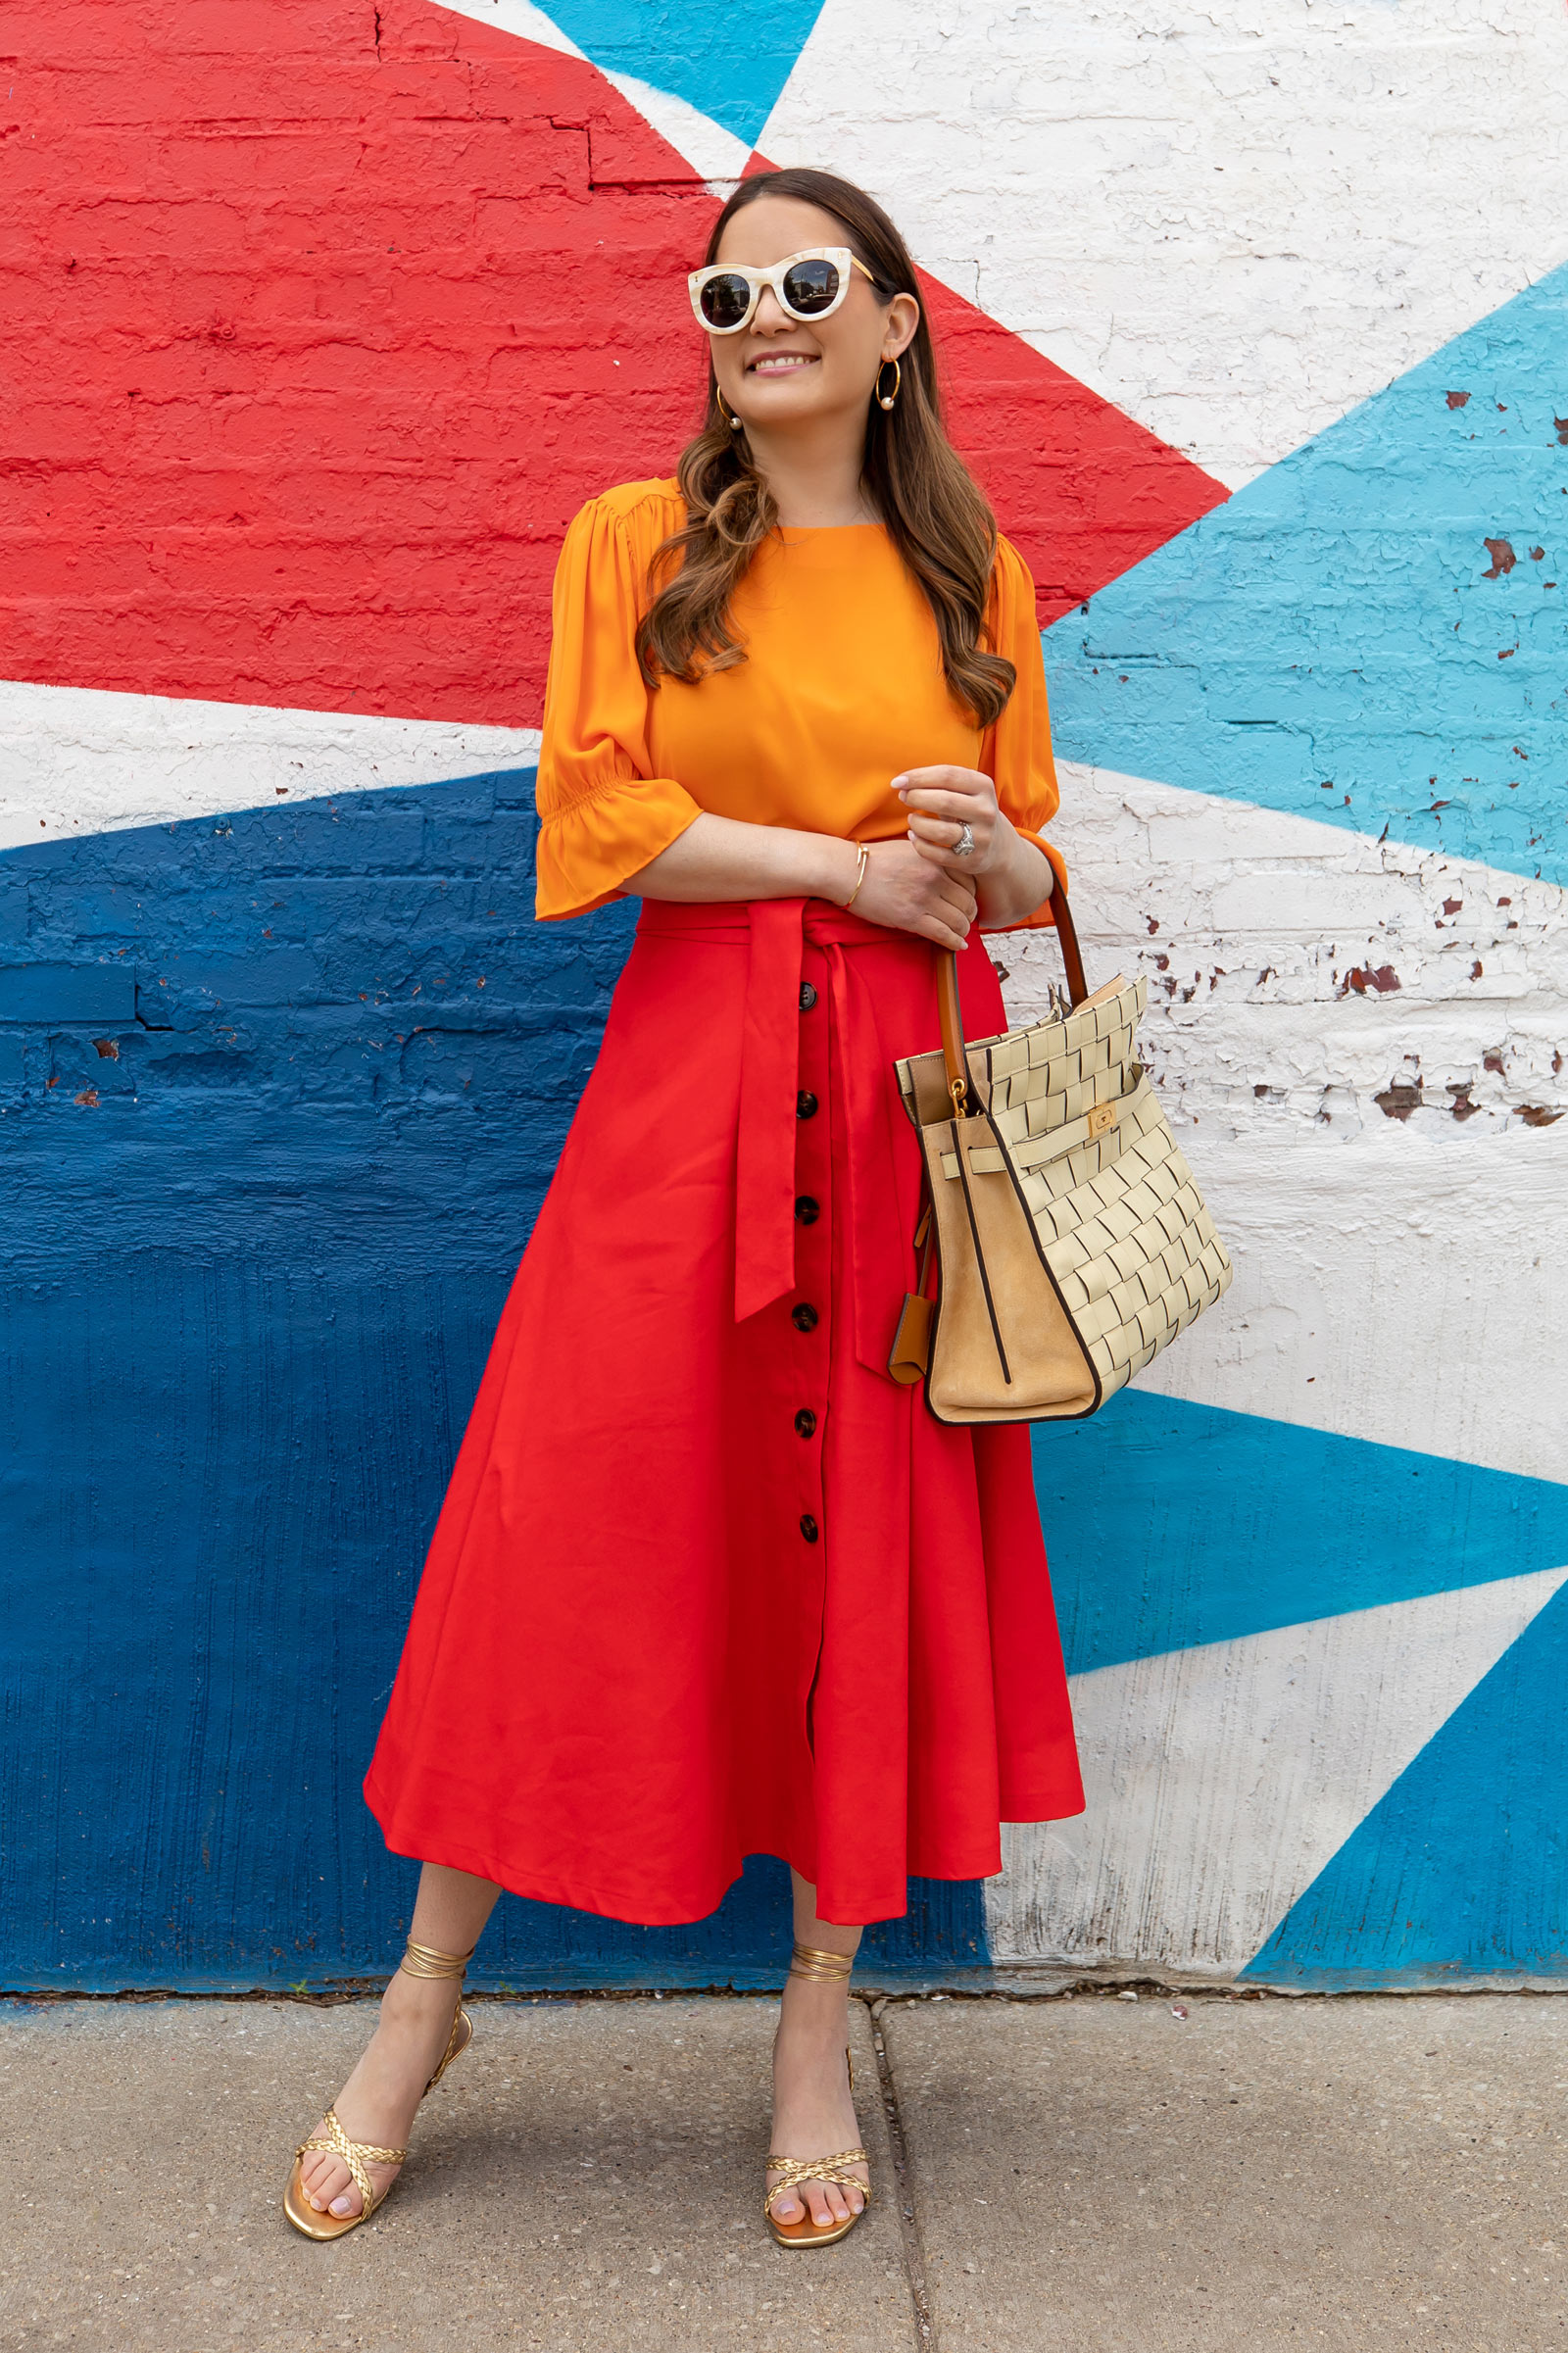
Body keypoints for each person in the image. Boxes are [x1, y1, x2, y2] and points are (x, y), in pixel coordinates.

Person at [284, 165, 1084, 2253]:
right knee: (566, 1529)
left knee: (862, 1559)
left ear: (895, 320)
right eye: (723, 288)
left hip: (906, 1108)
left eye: (804, 281)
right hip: (686, 1096)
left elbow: (1031, 852)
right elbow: (598, 808)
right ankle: (421, 2002)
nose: (757, 312)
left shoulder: (967, 564)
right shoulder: (634, 543)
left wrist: (973, 871)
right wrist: (837, 868)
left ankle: (813, 2023)